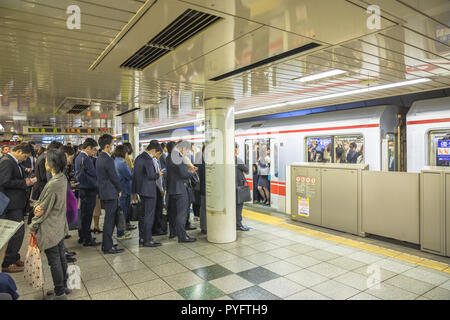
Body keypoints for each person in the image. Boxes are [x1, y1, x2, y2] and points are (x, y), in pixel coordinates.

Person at [30, 149, 71, 300]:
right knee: (60, 256)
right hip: (59, 224)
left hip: (50, 227)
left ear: (52, 164)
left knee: (54, 260)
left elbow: (42, 209)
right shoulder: (62, 178)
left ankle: (59, 292)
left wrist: (36, 209)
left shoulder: (53, 184)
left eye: (47, 160)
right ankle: (64, 286)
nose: (45, 162)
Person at [0, 143, 36, 273]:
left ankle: (14, 257)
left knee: (18, 232)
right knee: (16, 233)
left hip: (17, 203)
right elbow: (3, 181)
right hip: (11, 204)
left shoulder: (14, 162)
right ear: (19, 151)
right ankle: (6, 262)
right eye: (25, 156)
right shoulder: (7, 162)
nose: (25, 159)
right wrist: (24, 183)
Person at [96, 134, 124, 254]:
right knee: (110, 220)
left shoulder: (99, 158)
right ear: (107, 146)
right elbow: (114, 177)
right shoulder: (107, 159)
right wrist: (119, 189)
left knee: (109, 219)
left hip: (104, 192)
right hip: (110, 192)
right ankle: (108, 247)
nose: (114, 147)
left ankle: (106, 245)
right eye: (113, 145)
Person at [132, 141, 164, 247]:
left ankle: (142, 237)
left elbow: (135, 175)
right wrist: (158, 174)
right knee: (149, 216)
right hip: (149, 191)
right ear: (154, 150)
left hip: (141, 190)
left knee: (143, 215)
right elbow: (151, 176)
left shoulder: (138, 158)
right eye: (158, 154)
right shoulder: (148, 159)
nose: (157, 157)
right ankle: (148, 239)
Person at [167, 141, 197, 243]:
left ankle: (176, 233)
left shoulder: (169, 156)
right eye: (187, 150)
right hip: (180, 189)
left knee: (174, 213)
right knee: (182, 214)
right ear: (182, 148)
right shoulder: (178, 157)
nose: (187, 153)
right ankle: (182, 236)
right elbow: (184, 174)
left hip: (172, 189)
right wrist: (191, 172)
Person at [75, 138, 100, 247]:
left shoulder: (78, 157)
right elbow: (93, 174)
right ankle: (87, 239)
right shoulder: (86, 158)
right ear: (88, 148)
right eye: (93, 150)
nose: (94, 152)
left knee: (84, 215)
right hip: (89, 190)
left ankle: (82, 236)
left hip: (83, 190)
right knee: (87, 216)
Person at [113, 145, 133, 240]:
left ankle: (121, 231)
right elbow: (129, 176)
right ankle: (120, 233)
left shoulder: (115, 161)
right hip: (124, 190)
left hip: (120, 189)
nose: (127, 154)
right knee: (123, 213)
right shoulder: (122, 163)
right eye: (126, 152)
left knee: (121, 212)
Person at [151, 143, 167, 236]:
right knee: (158, 210)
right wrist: (161, 189)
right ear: (156, 152)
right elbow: (158, 178)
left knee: (156, 210)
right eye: (159, 155)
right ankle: (157, 229)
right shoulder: (154, 161)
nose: (159, 157)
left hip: (154, 189)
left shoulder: (153, 160)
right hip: (157, 189)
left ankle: (156, 228)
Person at [235, 142, 250, 231]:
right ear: (235, 149)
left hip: (231, 186)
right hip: (238, 187)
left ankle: (235, 222)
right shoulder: (237, 159)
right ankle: (238, 224)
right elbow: (247, 170)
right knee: (239, 205)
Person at [196, 144, 206, 234]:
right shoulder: (204, 160)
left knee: (203, 208)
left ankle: (204, 226)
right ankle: (204, 227)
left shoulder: (200, 159)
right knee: (204, 208)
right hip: (205, 187)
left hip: (203, 187)